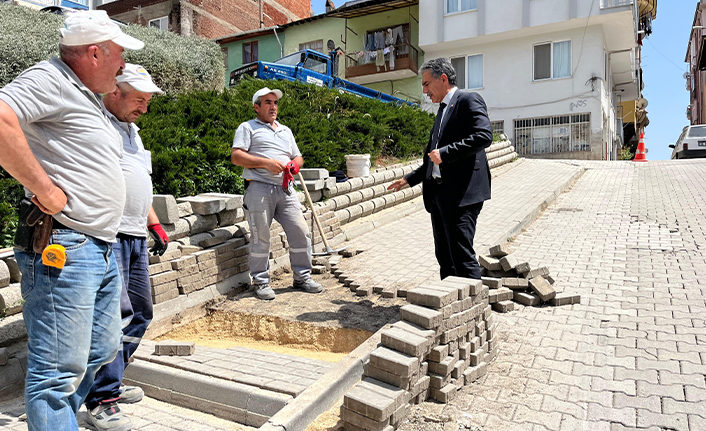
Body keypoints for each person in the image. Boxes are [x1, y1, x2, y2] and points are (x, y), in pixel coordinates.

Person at [0, 10, 144, 431]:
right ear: (95, 52)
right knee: (57, 372)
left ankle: (55, 419)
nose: (122, 66)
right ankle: (53, 417)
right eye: (119, 55)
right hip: (66, 244)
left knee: (102, 348)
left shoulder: (83, 94)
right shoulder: (51, 78)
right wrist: (44, 189)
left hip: (97, 246)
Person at [83, 64, 168, 431]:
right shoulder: (97, 124)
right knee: (112, 318)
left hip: (134, 233)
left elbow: (136, 183)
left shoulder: (133, 131)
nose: (144, 109)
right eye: (139, 100)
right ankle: (101, 399)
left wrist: (154, 223)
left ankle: (111, 381)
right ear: (114, 91)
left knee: (141, 312)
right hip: (108, 234)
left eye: (147, 102)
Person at [388, 58, 492, 280]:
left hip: (462, 195)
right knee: (445, 256)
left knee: (461, 255)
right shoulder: (442, 110)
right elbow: (432, 158)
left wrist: (446, 153)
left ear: (443, 79)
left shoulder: (468, 100)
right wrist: (409, 179)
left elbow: (484, 136)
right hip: (439, 196)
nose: (425, 91)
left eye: (426, 84)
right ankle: (450, 303)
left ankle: (473, 307)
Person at [231, 87, 323, 300]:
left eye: (275, 103)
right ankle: (261, 281)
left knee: (300, 230)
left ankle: (302, 277)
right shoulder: (247, 128)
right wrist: (266, 164)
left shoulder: (285, 130)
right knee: (260, 236)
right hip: (259, 188)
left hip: (286, 189)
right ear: (256, 107)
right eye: (267, 102)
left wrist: (293, 165)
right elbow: (236, 157)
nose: (273, 106)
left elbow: (298, 157)